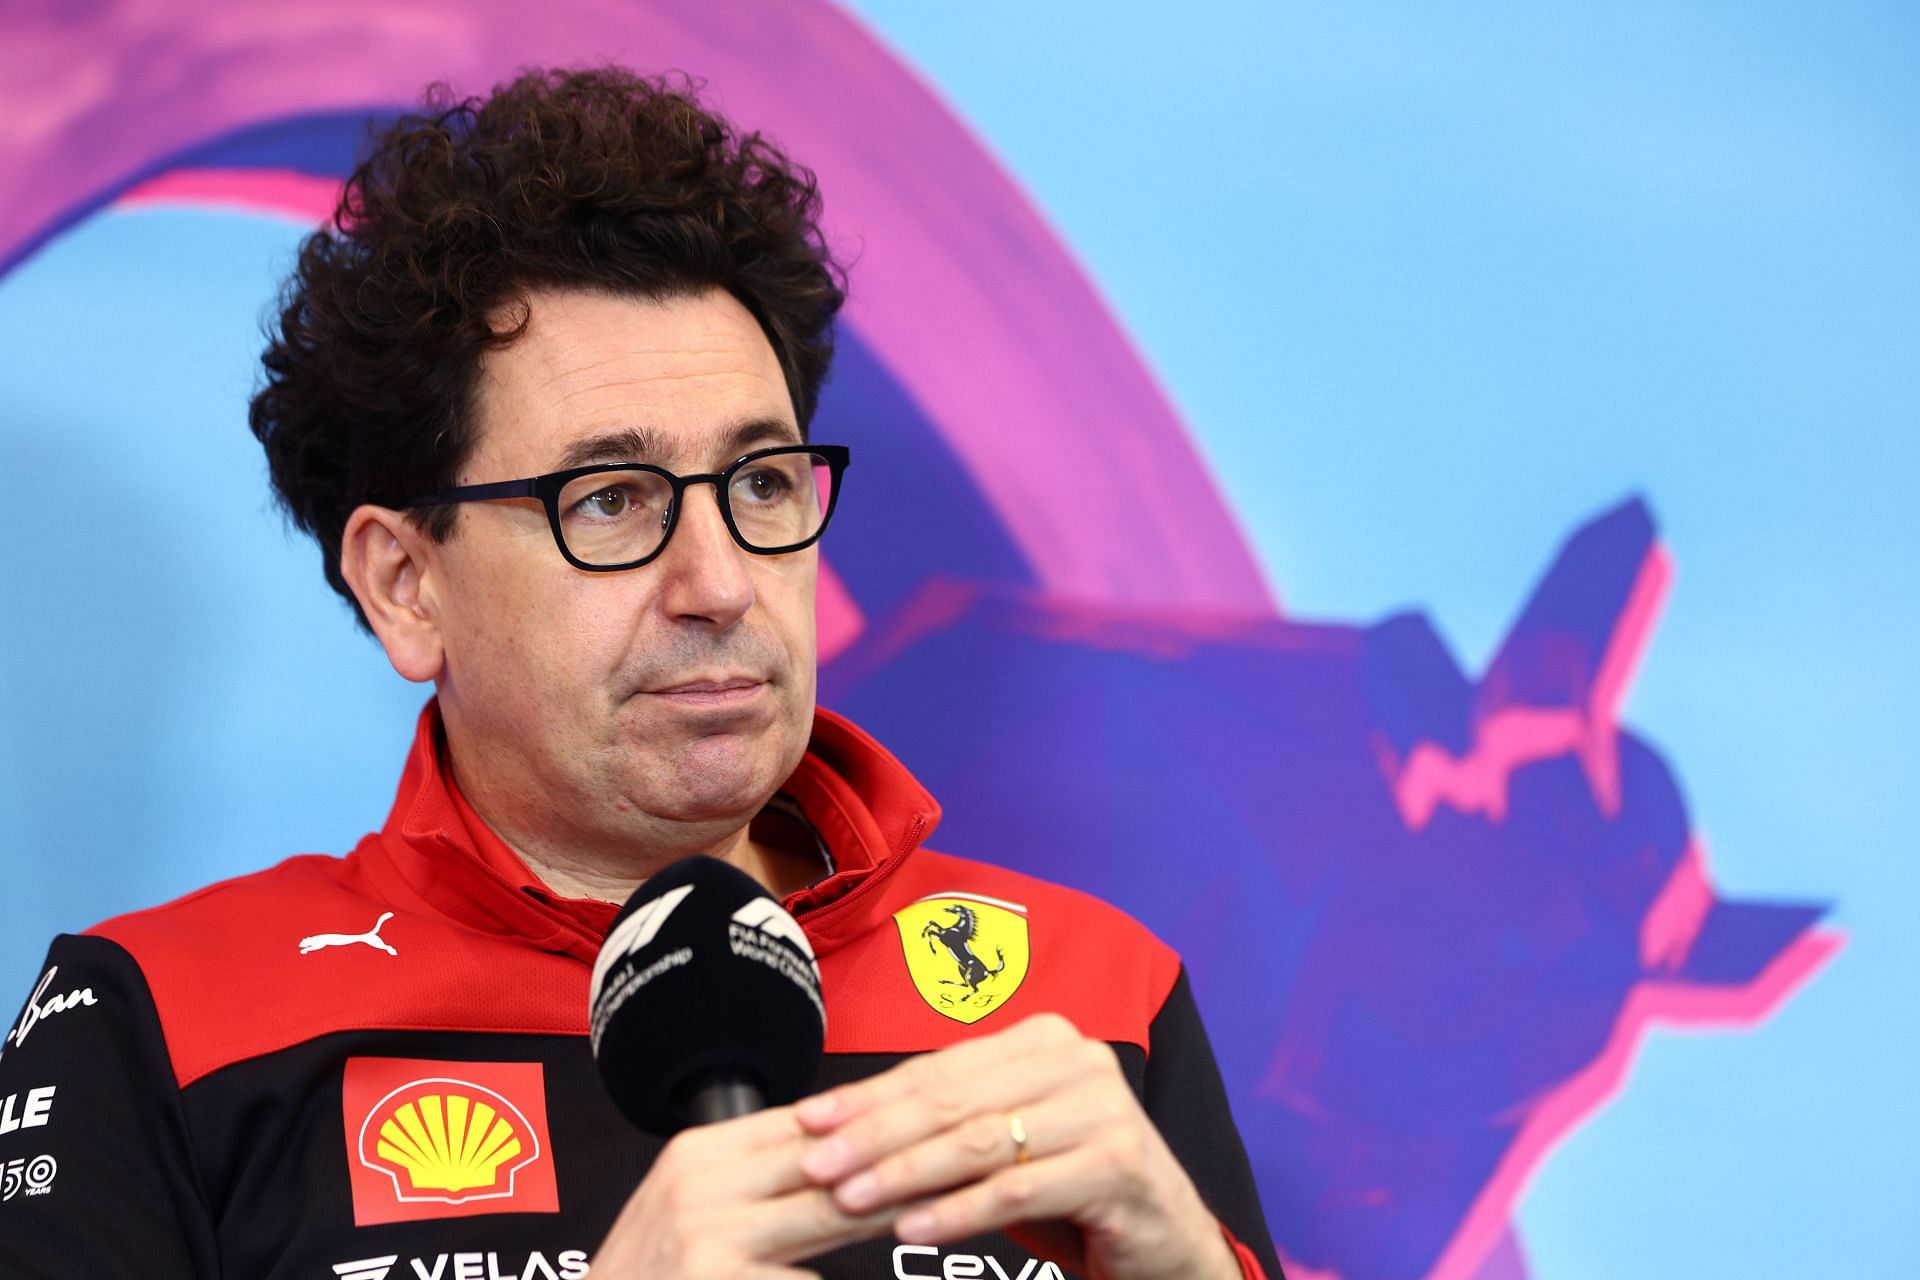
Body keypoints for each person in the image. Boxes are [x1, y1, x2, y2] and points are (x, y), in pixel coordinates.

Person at [0, 67, 1279, 1280]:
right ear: (407, 582)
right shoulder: (164, 1021)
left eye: (762, 482)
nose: (721, 583)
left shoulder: (1095, 997)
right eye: (611, 500)